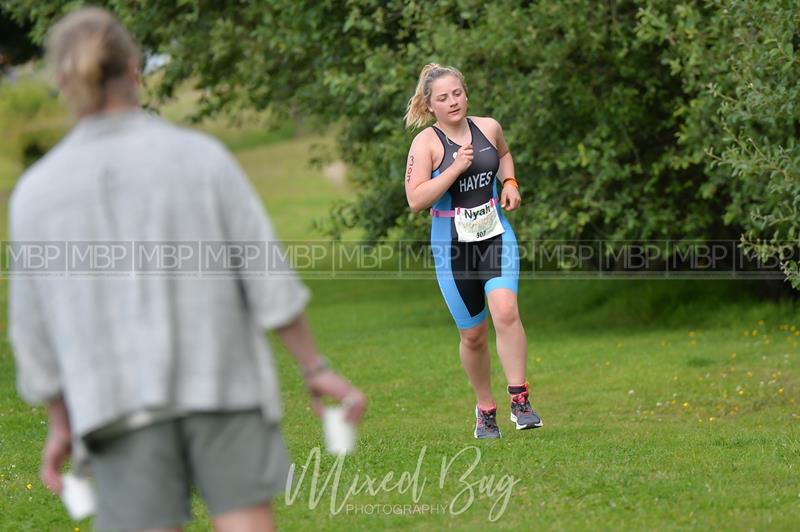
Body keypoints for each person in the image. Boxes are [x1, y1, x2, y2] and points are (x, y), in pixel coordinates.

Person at [8, 7, 366, 531]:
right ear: (134, 68)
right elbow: (266, 274)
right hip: (224, 384)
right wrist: (314, 369)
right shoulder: (200, 157)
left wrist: (61, 424)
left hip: (113, 403)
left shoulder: (36, 194)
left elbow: (32, 332)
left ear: (62, 82)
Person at [403, 63, 542, 439]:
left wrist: (509, 181)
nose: (453, 102)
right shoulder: (426, 143)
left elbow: (504, 155)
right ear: (429, 105)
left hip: (495, 234)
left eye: (457, 93)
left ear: (466, 93)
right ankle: (485, 409)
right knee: (473, 336)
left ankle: (520, 400)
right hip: (452, 246)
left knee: (506, 310)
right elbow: (415, 199)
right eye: (443, 98)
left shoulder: (489, 127)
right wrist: (453, 169)